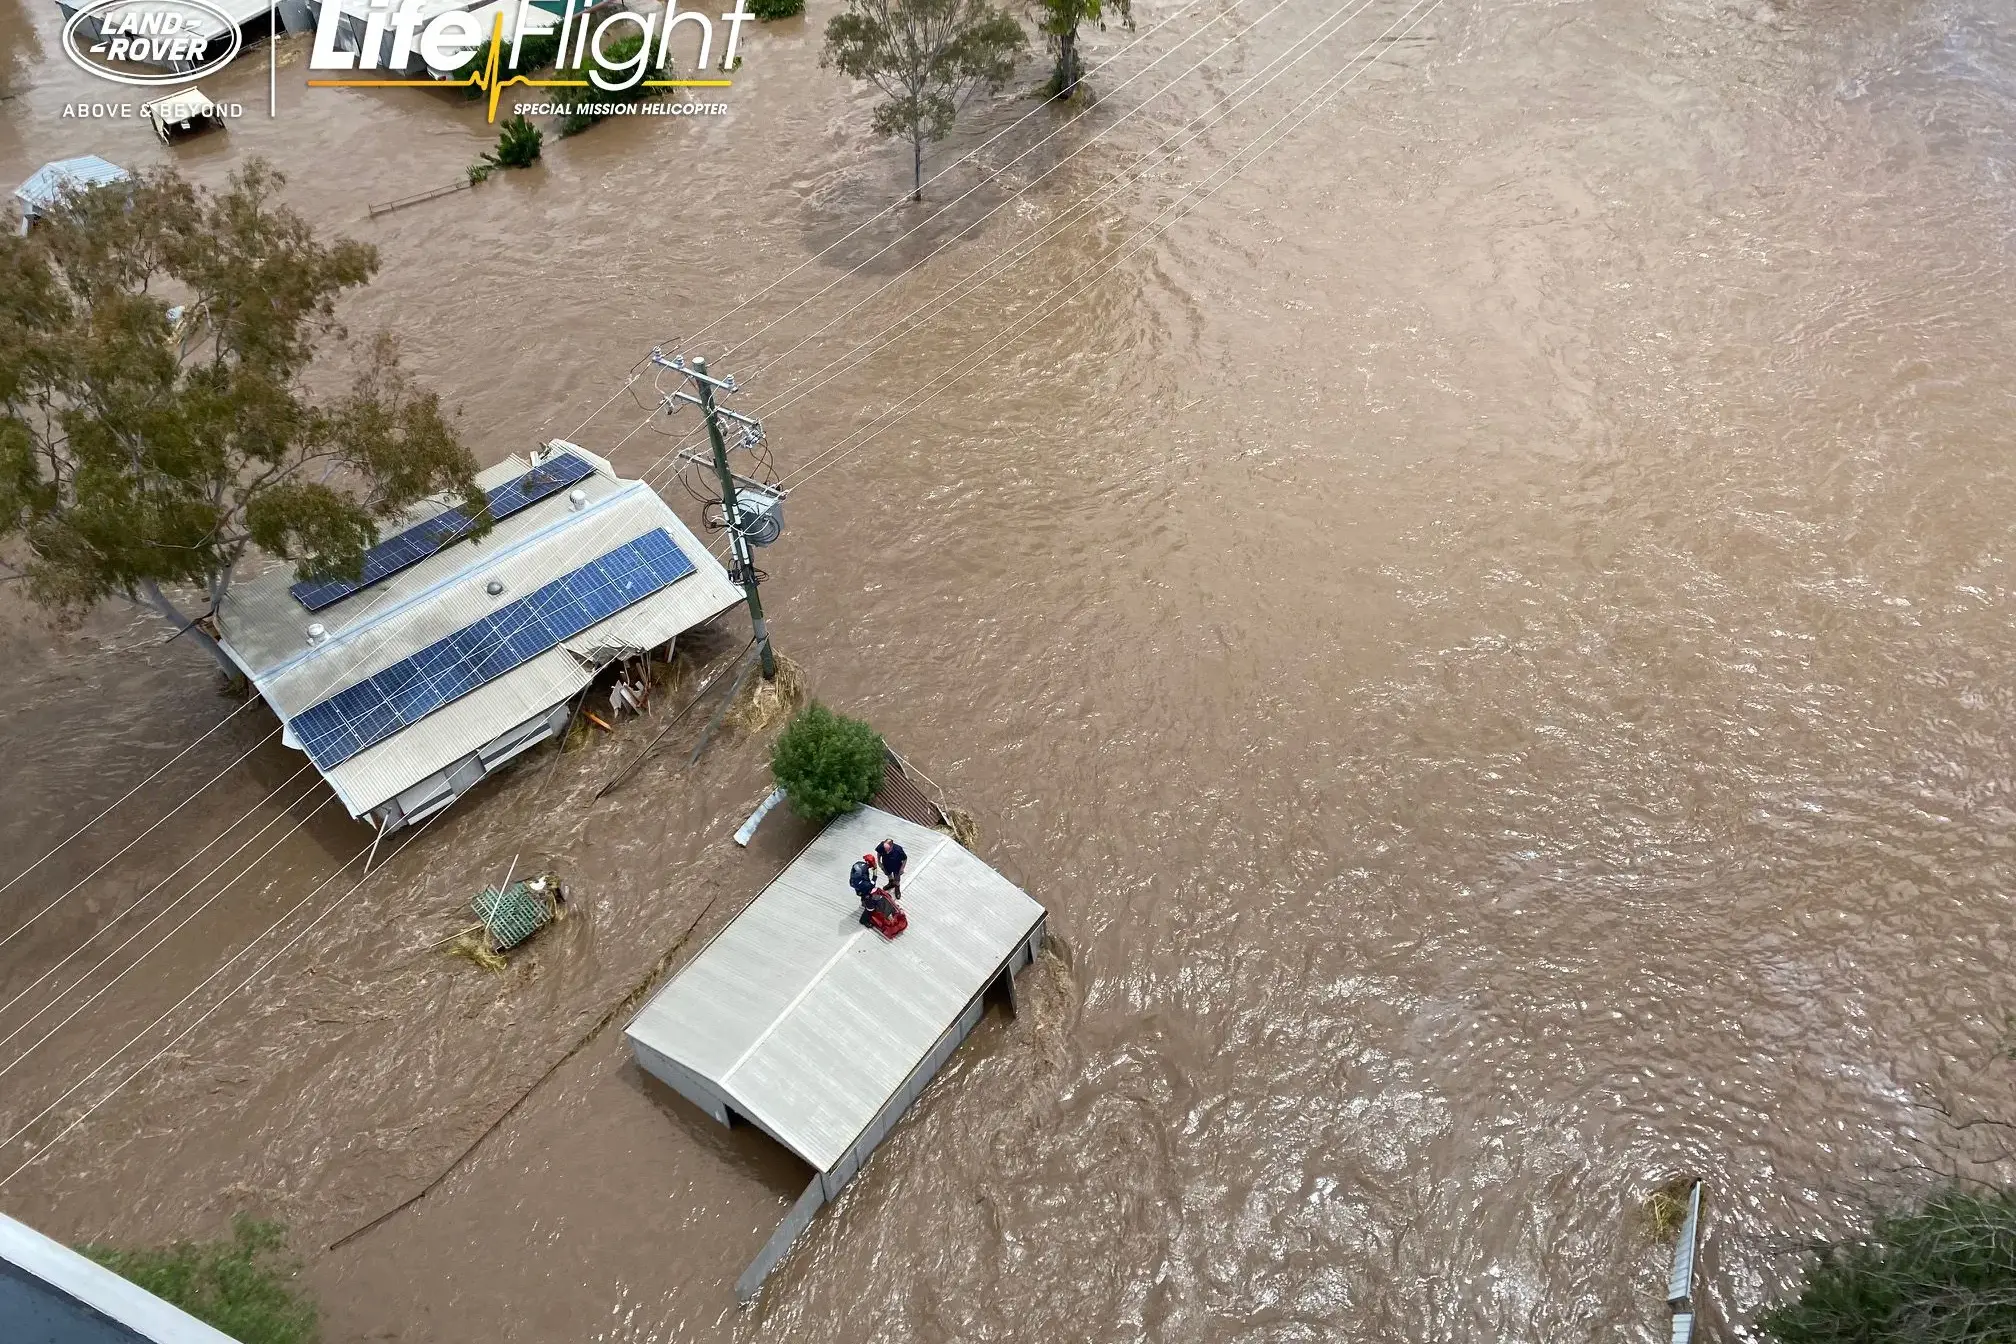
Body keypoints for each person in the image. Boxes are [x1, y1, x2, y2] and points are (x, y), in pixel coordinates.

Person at [850, 853, 897, 928]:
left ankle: (863, 902)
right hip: (864, 891)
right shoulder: (864, 882)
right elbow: (872, 884)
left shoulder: (859, 865)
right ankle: (863, 920)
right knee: (870, 908)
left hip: (858, 888)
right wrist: (875, 873)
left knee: (863, 895)